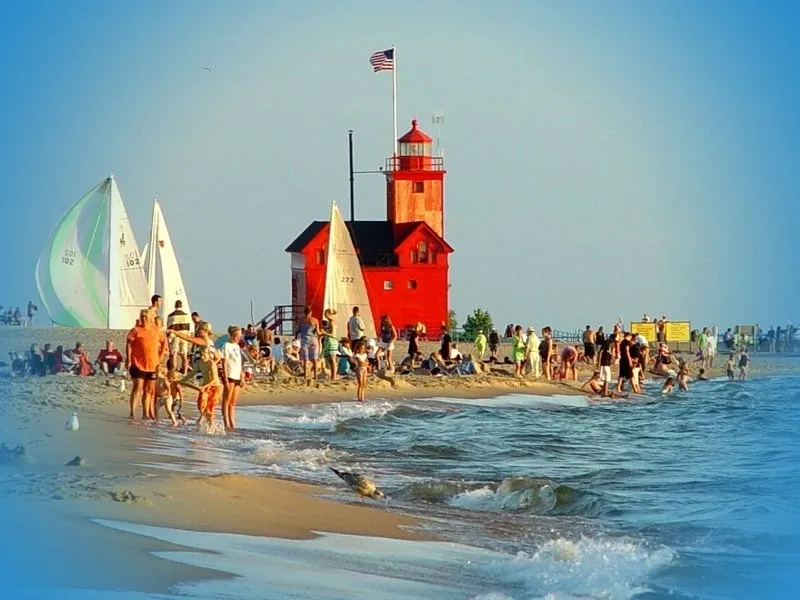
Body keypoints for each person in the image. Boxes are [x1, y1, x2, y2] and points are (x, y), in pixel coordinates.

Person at [125, 309, 166, 420]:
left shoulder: (156, 330)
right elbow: (129, 344)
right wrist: (128, 359)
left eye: (145, 317)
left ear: (150, 318)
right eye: (142, 316)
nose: (143, 319)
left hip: (153, 365)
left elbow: (164, 342)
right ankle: (132, 412)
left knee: (149, 389)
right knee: (138, 386)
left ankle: (145, 413)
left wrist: (161, 357)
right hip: (138, 363)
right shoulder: (136, 330)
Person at [221, 326, 244, 431]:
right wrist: (225, 378)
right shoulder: (226, 346)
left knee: (233, 402)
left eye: (239, 336)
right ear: (232, 335)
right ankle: (226, 423)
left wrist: (242, 375)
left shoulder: (237, 346)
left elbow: (239, 363)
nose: (238, 338)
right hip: (229, 375)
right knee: (226, 400)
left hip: (237, 375)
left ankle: (232, 422)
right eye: (237, 336)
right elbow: (224, 362)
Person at [297, 305, 322, 385]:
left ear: (304, 312)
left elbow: (298, 330)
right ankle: (315, 376)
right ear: (311, 312)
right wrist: (324, 333)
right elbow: (318, 332)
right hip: (313, 340)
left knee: (305, 360)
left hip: (304, 340)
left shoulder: (301, 320)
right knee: (314, 359)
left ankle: (305, 376)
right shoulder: (315, 320)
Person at [166, 300, 192, 374]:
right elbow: (188, 328)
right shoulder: (186, 315)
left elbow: (169, 327)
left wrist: (169, 338)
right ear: (181, 305)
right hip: (184, 336)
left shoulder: (171, 316)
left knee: (174, 354)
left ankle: (173, 370)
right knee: (184, 355)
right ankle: (185, 372)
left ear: (175, 305)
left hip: (175, 336)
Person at [321, 309, 340, 380]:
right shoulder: (329, 322)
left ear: (329, 314)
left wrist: (324, 333)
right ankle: (333, 375)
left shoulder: (332, 322)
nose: (324, 315)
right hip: (328, 341)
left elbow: (333, 334)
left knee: (332, 359)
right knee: (330, 360)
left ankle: (334, 376)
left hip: (332, 342)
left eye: (325, 314)